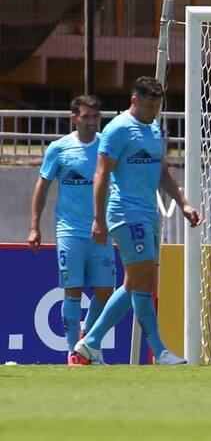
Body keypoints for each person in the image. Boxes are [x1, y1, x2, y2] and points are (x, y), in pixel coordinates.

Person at [74, 77, 202, 366]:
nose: (153, 111)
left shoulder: (154, 128)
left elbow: (162, 170)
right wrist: (98, 219)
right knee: (139, 280)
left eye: (157, 106)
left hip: (148, 214)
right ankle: (154, 350)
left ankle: (91, 343)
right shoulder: (118, 129)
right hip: (125, 212)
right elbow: (101, 174)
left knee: (141, 283)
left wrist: (183, 203)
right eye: (148, 106)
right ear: (134, 101)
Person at [28, 95, 115, 365]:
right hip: (70, 231)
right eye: (86, 117)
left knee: (105, 292)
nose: (91, 122)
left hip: (101, 231)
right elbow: (42, 187)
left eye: (95, 117)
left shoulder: (107, 147)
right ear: (74, 118)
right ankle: (73, 354)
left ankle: (85, 340)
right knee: (73, 290)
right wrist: (34, 227)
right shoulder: (59, 148)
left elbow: (119, 185)